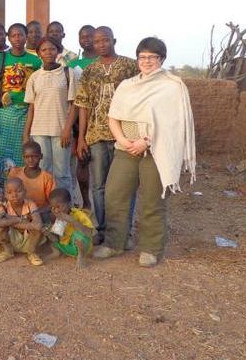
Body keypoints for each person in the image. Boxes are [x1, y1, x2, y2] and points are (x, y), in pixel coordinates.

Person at [93, 37, 196, 268]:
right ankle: (114, 243)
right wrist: (122, 140)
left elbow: (173, 125)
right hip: (125, 148)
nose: (147, 61)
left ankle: (151, 249)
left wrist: (146, 142)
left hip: (155, 151)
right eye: (142, 57)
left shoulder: (172, 87)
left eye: (152, 57)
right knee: (114, 194)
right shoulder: (127, 85)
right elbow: (113, 117)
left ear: (161, 59)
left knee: (152, 200)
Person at [74, 27, 138, 244]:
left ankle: (123, 232)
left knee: (125, 185)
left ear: (114, 40)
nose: (101, 44)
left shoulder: (130, 66)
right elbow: (83, 104)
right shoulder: (90, 70)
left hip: (125, 135)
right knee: (98, 185)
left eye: (105, 40)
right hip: (97, 135)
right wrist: (81, 137)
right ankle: (101, 230)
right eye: (97, 41)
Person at [0, 23, 41, 175]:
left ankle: (21, 187)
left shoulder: (35, 61)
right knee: (1, 152)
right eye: (13, 35)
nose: (17, 38)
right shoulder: (0, 58)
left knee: (23, 150)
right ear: (9, 38)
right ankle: (2, 188)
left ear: (26, 37)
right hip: (4, 114)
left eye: (20, 35)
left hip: (27, 113)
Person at [23, 36, 77, 193]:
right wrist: (26, 134)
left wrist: (67, 129)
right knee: (42, 170)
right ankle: (44, 206)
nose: (48, 52)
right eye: (44, 50)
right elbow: (32, 107)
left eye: (52, 49)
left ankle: (65, 209)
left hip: (61, 131)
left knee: (62, 173)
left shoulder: (68, 73)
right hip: (39, 131)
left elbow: (74, 104)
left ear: (58, 51)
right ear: (38, 53)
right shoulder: (34, 77)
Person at [66, 24, 97, 211]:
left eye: (89, 36)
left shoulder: (104, 60)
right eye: (82, 36)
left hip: (101, 118)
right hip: (79, 119)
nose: (86, 39)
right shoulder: (73, 63)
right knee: (82, 161)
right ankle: (85, 201)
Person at [0, 177, 44, 266]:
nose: (14, 195)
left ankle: (31, 253)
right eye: (9, 192)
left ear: (25, 192)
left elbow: (38, 225)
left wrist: (10, 221)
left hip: (29, 240)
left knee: (38, 229)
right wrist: (17, 220)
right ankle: (8, 251)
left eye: (18, 191)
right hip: (12, 239)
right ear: (5, 195)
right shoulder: (3, 206)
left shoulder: (30, 204)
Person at [43, 188, 93, 268]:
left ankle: (81, 257)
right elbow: (56, 239)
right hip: (67, 247)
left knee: (78, 236)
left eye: (58, 207)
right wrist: (48, 233)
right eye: (53, 208)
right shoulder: (59, 218)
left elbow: (88, 233)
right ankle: (56, 253)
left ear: (69, 204)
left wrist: (72, 221)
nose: (56, 211)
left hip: (82, 247)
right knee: (52, 239)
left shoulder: (79, 214)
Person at [7, 141, 56, 221]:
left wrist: (35, 213)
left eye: (34, 156)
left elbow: (52, 203)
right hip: (16, 212)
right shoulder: (15, 173)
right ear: (23, 157)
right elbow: (8, 194)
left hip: (39, 213)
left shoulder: (47, 178)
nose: (30, 160)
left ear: (41, 156)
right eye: (27, 157)